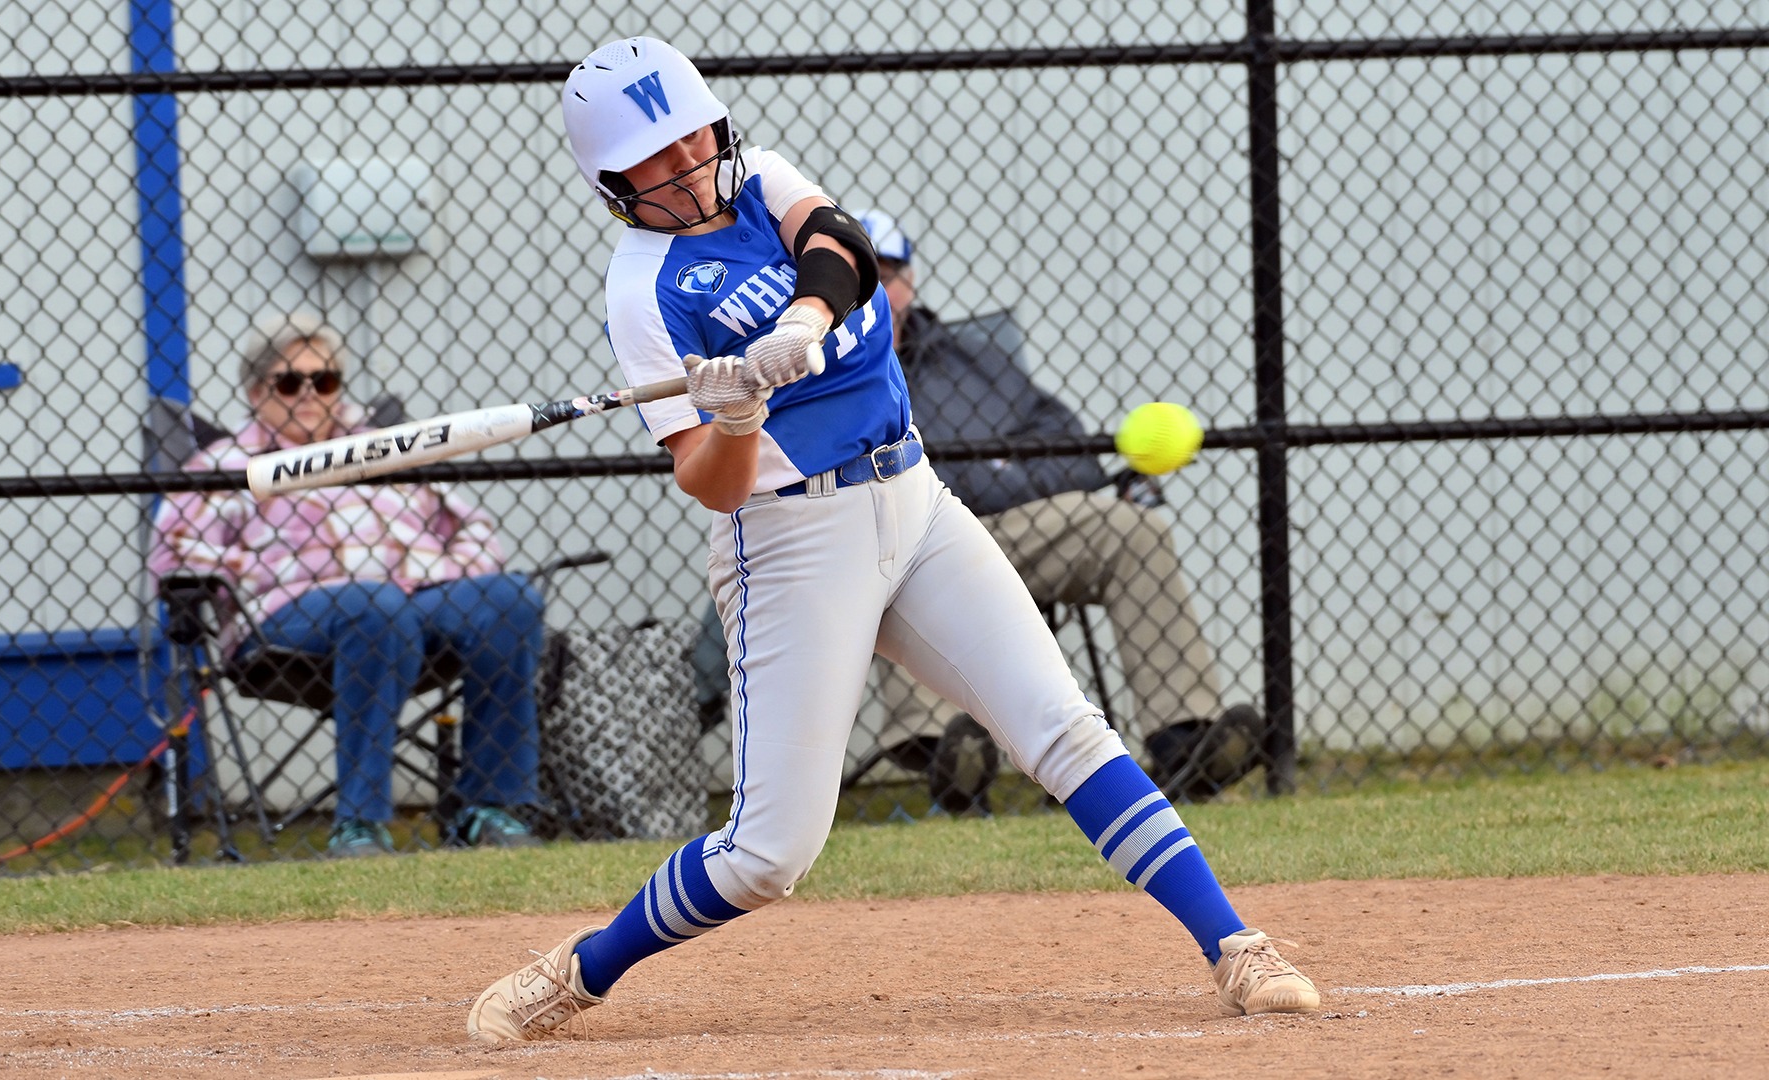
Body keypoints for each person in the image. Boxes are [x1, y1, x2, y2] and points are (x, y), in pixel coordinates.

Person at [466, 36, 1319, 1044]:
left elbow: (839, 243)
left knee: (1064, 728)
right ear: (615, 182)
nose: (691, 160)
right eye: (660, 155)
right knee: (768, 855)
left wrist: (807, 311)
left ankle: (1236, 948)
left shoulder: (766, 182)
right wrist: (737, 412)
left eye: (697, 135)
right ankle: (580, 969)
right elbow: (707, 484)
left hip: (912, 497)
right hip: (790, 541)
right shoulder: (644, 292)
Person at [852, 207, 1265, 804]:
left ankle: (1186, 744)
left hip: (1017, 531)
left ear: (910, 282)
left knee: (1131, 528)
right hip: (911, 540)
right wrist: (999, 471)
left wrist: (991, 481)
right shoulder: (818, 370)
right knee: (884, 542)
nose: (875, 291)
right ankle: (949, 753)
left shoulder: (978, 364)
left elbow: (1077, 461)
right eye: (857, 274)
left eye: (886, 273)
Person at [149, 312, 547, 857]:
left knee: (510, 599)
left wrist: (448, 569)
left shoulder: (387, 447)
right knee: (374, 606)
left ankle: (488, 809)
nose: (310, 394)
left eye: (326, 380)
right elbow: (171, 551)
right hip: (289, 617)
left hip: (418, 598)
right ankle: (359, 824)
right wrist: (252, 566)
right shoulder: (226, 463)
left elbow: (471, 526)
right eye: (291, 382)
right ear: (255, 391)